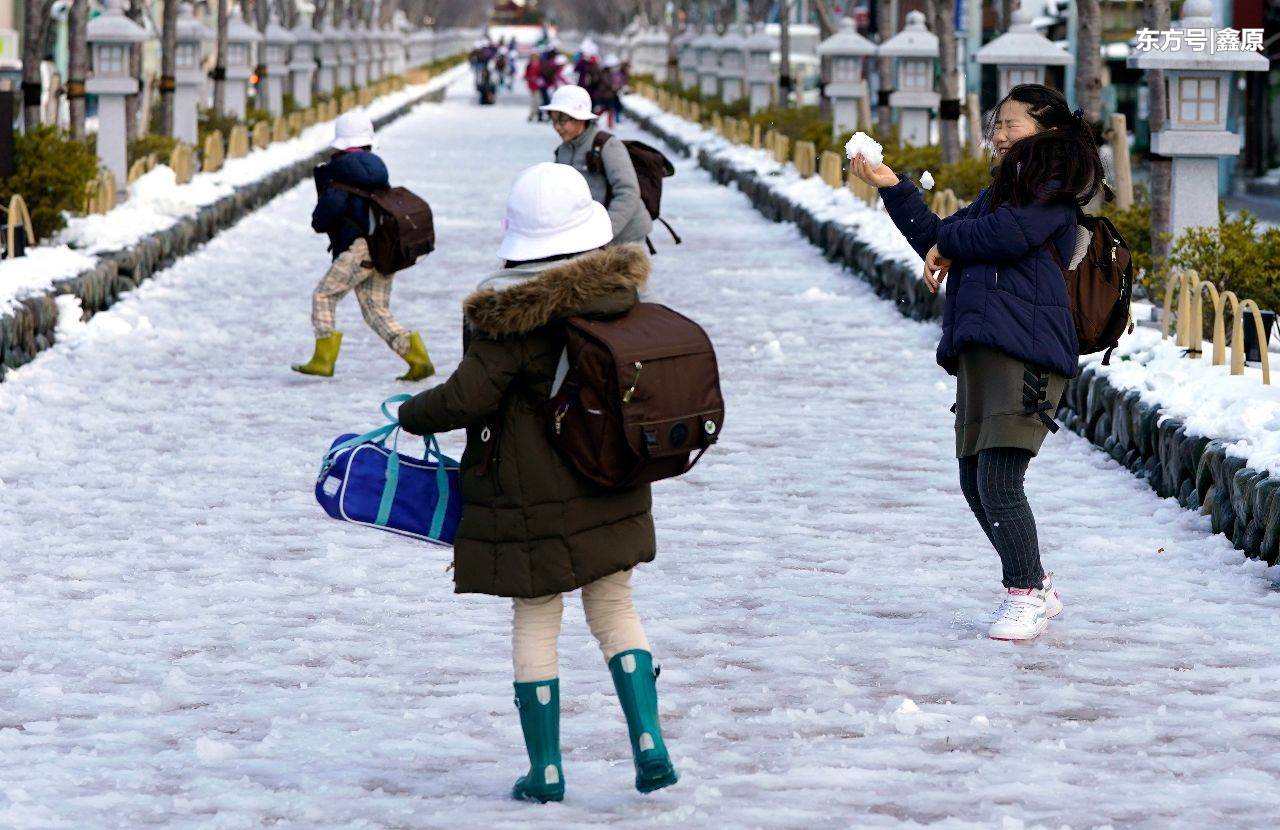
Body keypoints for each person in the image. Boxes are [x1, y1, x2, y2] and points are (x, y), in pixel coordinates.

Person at [396, 162, 678, 802]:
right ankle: (650, 743)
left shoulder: (509, 317)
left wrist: (412, 415)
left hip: (530, 496)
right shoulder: (616, 297)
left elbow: (465, 399)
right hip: (610, 480)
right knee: (614, 608)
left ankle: (546, 770)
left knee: (537, 618)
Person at [850, 84, 1107, 641]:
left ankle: (1027, 594)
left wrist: (952, 243)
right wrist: (891, 186)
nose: (997, 135)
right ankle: (1034, 584)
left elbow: (1005, 237)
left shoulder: (1053, 183)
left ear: (1046, 128)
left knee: (1000, 475)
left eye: (1010, 124)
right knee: (975, 478)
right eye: (996, 125)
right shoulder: (1007, 191)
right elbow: (943, 235)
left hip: (1027, 348)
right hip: (985, 344)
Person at [293, 110, 434, 381]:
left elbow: (325, 216)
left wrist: (319, 217)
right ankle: (418, 359)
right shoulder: (377, 172)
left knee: (324, 295)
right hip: (383, 248)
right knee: (376, 310)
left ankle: (323, 359)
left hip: (357, 250)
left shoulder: (338, 174)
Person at [542, 85, 652, 248]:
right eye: (554, 120)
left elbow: (627, 191)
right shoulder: (562, 151)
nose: (557, 127)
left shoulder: (607, 145)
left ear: (581, 118)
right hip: (591, 239)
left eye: (563, 120)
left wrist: (604, 233)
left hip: (625, 238)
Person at [524, 52, 545, 122]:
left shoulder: (540, 64)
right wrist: (531, 78)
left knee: (537, 101)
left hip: (538, 85)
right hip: (531, 85)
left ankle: (533, 115)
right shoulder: (529, 65)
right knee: (535, 101)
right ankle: (534, 115)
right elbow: (526, 75)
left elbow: (542, 74)